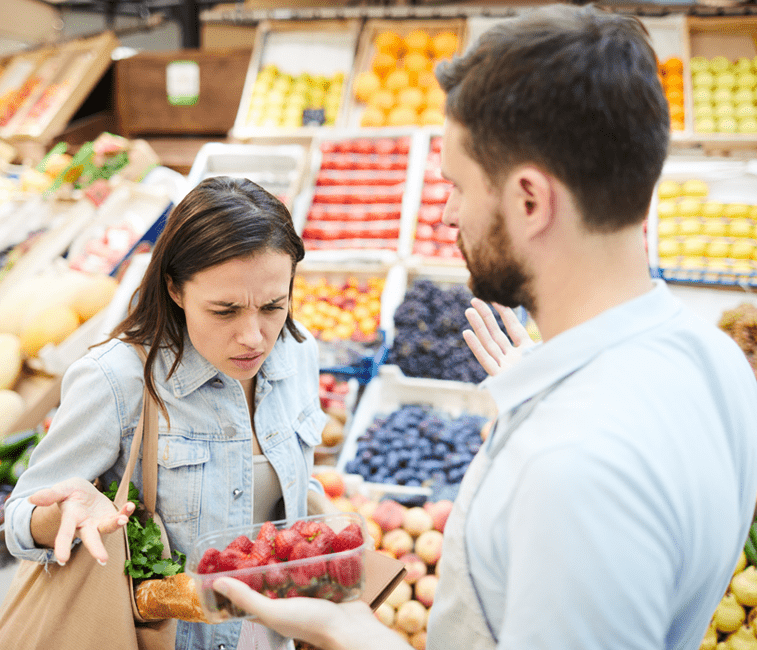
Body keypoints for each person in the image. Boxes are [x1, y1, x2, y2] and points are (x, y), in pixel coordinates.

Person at [211, 5, 757, 650]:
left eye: (458, 186)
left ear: (530, 200)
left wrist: (353, 635)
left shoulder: (571, 470)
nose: (446, 214)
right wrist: (547, 391)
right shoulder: (714, 359)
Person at [4, 176, 332, 650]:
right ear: (175, 289)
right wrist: (62, 516)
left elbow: (291, 488)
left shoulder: (298, 355)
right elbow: (19, 517)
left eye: (273, 306)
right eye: (225, 310)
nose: (254, 336)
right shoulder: (117, 378)